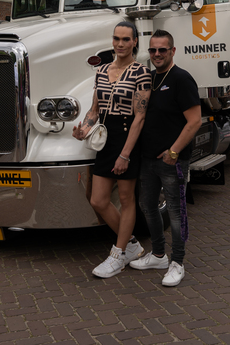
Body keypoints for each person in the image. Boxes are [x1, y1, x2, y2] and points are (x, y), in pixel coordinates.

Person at [73, 21, 151, 278]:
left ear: (135, 42)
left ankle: (117, 255)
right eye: (116, 38)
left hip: (128, 137)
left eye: (126, 39)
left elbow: (140, 117)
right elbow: (96, 110)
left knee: (127, 199)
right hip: (105, 138)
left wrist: (125, 154)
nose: (120, 44)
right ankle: (131, 245)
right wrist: (84, 128)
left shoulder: (141, 72)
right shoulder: (102, 70)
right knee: (97, 200)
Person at [130, 29, 201, 287]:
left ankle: (177, 263)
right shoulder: (149, 79)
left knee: (175, 212)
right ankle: (159, 255)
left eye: (162, 49)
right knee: (147, 207)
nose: (157, 54)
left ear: (172, 51)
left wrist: (173, 152)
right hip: (147, 159)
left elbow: (194, 122)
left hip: (172, 161)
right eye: (152, 50)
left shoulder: (182, 79)